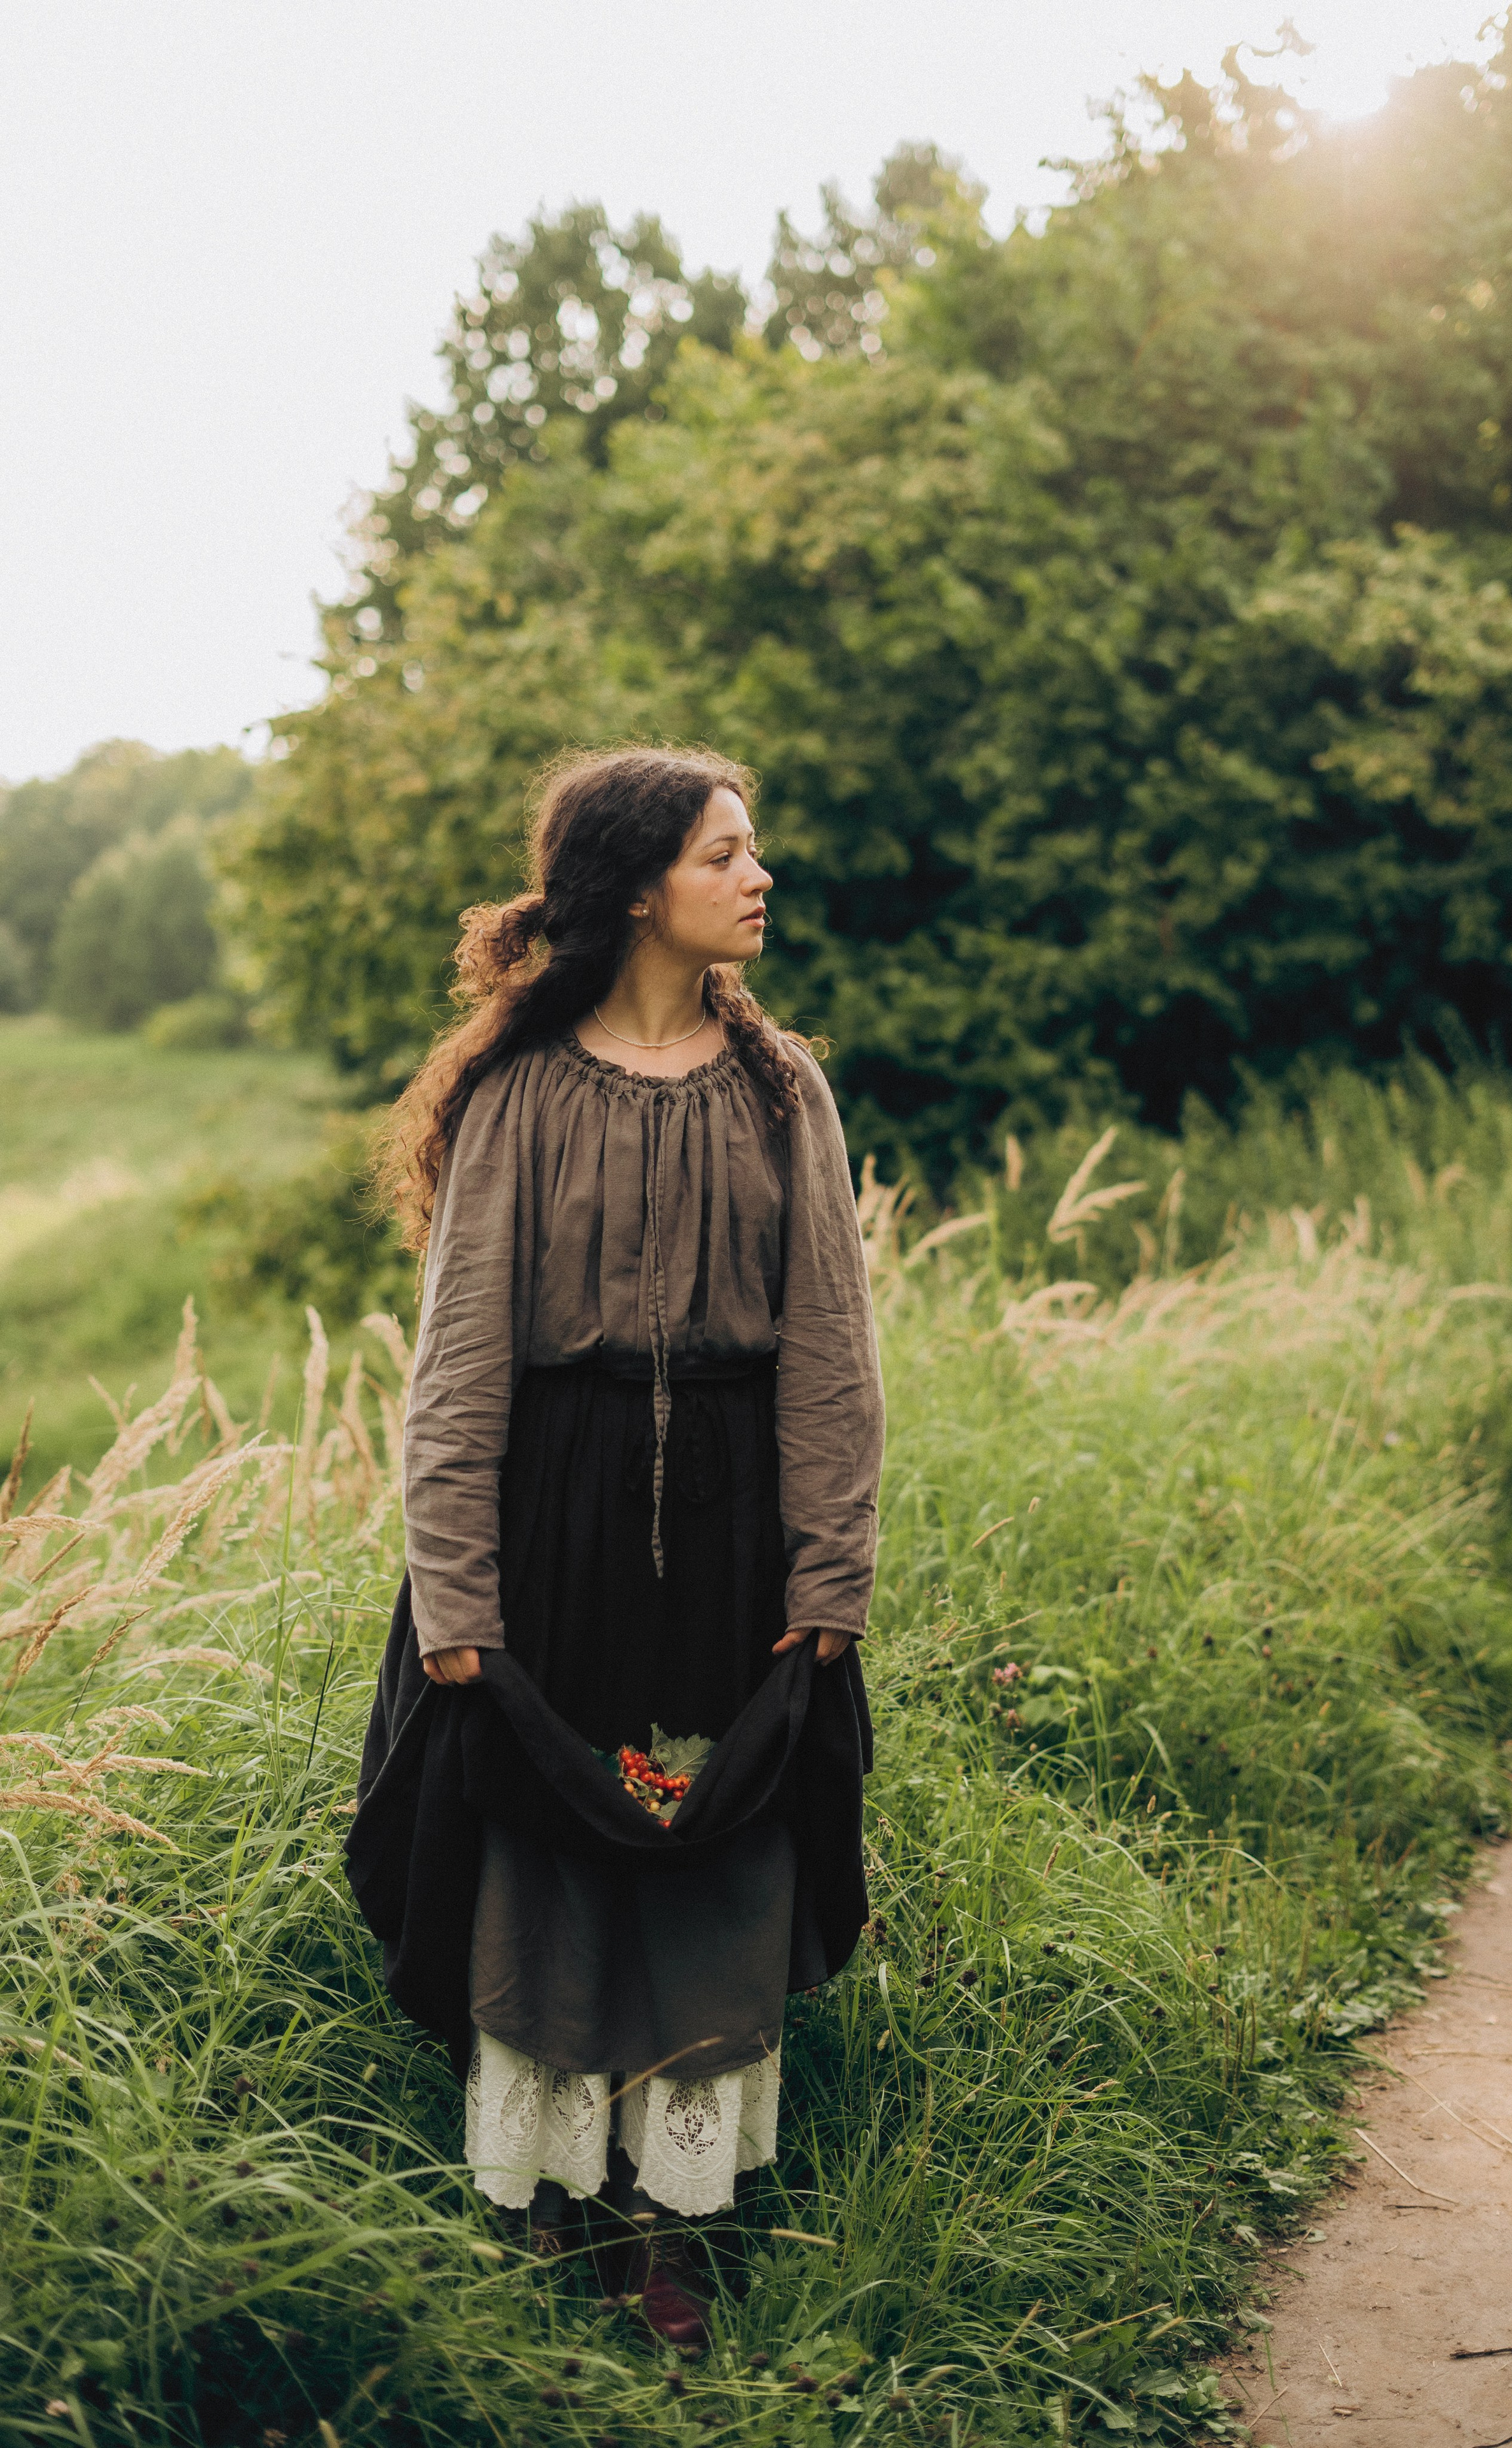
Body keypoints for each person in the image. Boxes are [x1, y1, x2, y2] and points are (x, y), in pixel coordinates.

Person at [344, 744, 885, 2347]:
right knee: (550, 1855)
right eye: (729, 853)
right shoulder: (516, 1092)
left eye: (754, 851)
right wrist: (457, 1592)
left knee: (719, 1845)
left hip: (733, 1538)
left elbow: (833, 1358)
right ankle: (554, 2203)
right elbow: (455, 1371)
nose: (759, 877)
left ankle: (677, 2220)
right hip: (550, 1528)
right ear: (643, 886)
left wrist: (827, 1576)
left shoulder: (785, 1089)